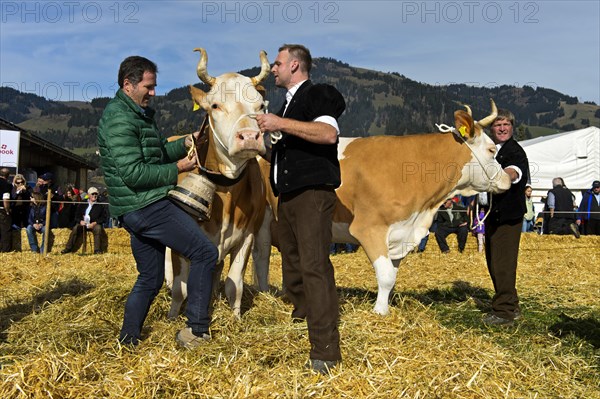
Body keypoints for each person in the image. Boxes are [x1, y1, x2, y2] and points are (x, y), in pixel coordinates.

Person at [97, 55, 218, 347]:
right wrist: (179, 168)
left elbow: (157, 154)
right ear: (128, 85)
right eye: (148, 87)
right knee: (205, 253)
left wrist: (185, 142)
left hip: (137, 206)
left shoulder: (137, 115)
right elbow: (134, 174)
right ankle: (196, 331)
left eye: (154, 86)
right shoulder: (118, 120)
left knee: (150, 278)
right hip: (145, 205)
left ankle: (128, 340)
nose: (153, 93)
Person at [255, 44, 346, 374]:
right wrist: (255, 145)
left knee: (314, 266)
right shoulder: (287, 104)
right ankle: (303, 318)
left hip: (311, 195)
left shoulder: (317, 94)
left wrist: (280, 122)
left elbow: (327, 134)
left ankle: (325, 351)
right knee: (293, 263)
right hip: (289, 196)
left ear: (294, 65)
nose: (272, 69)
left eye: (277, 63)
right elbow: (282, 154)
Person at [482, 108, 529, 326]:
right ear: (492, 129)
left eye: (506, 124)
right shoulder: (493, 150)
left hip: (508, 216)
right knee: (495, 262)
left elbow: (515, 171)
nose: (502, 128)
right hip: (494, 215)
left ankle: (505, 312)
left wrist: (503, 176)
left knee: (502, 263)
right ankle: (511, 304)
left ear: (512, 127)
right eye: (498, 125)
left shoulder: (514, 150)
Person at [61, 187, 108, 254]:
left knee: (98, 228)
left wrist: (95, 223)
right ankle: (68, 248)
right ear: (88, 195)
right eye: (92, 194)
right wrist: (80, 221)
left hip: (93, 224)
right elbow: (77, 215)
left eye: (96, 194)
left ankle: (97, 250)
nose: (94, 195)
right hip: (83, 223)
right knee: (75, 228)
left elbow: (104, 217)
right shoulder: (83, 203)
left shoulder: (100, 205)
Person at [0, 168, 12, 252]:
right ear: (8, 176)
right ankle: (5, 251)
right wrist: (7, 210)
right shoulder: (6, 185)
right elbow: (6, 199)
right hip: (1, 210)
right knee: (5, 231)